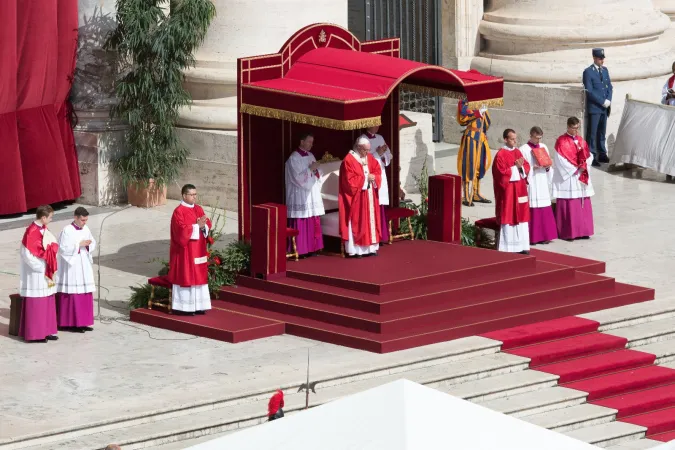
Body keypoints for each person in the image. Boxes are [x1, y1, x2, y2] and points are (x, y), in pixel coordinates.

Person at [168, 184, 212, 315]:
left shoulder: (198, 209)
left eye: (195, 194)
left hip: (198, 250)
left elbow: (207, 223)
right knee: (186, 277)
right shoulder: (179, 211)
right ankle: (184, 308)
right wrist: (196, 226)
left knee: (199, 277)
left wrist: (204, 226)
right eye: (192, 195)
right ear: (184, 195)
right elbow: (180, 231)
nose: (194, 197)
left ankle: (199, 305)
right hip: (185, 252)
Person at [19, 205, 59, 342]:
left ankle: (47, 330)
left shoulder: (44, 229)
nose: (51, 220)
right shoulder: (31, 232)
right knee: (37, 302)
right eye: (50, 217)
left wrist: (51, 250)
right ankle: (36, 334)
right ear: (43, 217)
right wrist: (40, 267)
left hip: (47, 270)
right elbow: (26, 254)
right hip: (36, 274)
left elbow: (52, 243)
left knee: (48, 300)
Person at [552, 117, 595, 240]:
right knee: (570, 203)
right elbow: (559, 160)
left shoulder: (581, 141)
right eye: (573, 128)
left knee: (583, 202)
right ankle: (569, 232)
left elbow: (589, 155)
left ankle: (583, 231)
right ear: (568, 127)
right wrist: (575, 169)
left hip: (580, 177)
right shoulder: (561, 141)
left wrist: (584, 165)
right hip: (569, 177)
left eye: (577, 128)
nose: (576, 131)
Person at [338, 137, 382, 257]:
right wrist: (365, 178)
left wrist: (374, 176)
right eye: (365, 150)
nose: (367, 153)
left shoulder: (369, 157)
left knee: (370, 222)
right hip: (357, 198)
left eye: (369, 150)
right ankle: (356, 250)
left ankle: (370, 249)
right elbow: (349, 182)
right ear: (358, 148)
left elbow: (377, 169)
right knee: (359, 222)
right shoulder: (349, 160)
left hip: (369, 196)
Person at [55, 207, 96, 332]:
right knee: (73, 294)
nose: (84, 223)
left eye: (86, 220)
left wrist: (89, 245)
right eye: (83, 220)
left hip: (84, 264)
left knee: (85, 292)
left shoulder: (86, 228)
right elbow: (62, 249)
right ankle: (71, 323)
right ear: (75, 217)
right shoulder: (67, 230)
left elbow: (92, 242)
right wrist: (79, 245)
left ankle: (83, 322)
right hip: (72, 267)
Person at [285, 132, 325, 257]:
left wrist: (317, 171)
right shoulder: (294, 158)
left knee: (312, 218)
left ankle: (313, 248)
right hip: (300, 194)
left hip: (311, 193)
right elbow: (297, 178)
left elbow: (317, 173)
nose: (311, 145)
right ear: (302, 142)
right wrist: (311, 169)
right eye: (309, 142)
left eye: (312, 142)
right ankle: (301, 250)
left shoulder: (311, 155)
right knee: (302, 219)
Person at [492, 129, 530, 254]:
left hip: (520, 190)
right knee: (509, 215)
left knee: (522, 217)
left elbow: (526, 166)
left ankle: (523, 246)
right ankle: (509, 247)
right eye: (512, 139)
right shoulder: (500, 155)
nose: (515, 141)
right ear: (505, 139)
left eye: (515, 138)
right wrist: (516, 168)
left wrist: (522, 168)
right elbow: (500, 174)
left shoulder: (518, 151)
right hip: (508, 193)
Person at [519, 127, 557, 245]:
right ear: (531, 135)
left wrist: (547, 166)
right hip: (532, 181)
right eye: (536, 138)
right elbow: (521, 168)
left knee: (544, 206)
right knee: (533, 207)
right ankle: (533, 237)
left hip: (542, 181)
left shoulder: (543, 147)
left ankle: (545, 235)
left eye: (540, 138)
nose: (538, 141)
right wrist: (531, 168)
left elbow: (548, 164)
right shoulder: (523, 149)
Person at [456, 99, 492, 206]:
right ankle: (466, 195)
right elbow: (462, 120)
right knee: (469, 165)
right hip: (470, 137)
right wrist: (477, 113)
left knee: (480, 165)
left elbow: (487, 124)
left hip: (481, 137)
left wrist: (484, 112)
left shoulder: (481, 102)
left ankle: (475, 193)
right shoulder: (464, 102)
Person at [361, 126, 392, 244]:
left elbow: (389, 156)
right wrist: (377, 153)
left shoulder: (380, 138)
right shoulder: (362, 140)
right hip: (369, 175)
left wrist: (383, 154)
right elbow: (362, 160)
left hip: (381, 173)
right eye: (375, 124)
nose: (378, 126)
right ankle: (372, 235)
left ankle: (382, 235)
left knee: (380, 204)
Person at [582, 48, 613, 167]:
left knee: (602, 132)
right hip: (595, 107)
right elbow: (589, 91)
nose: (602, 61)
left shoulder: (605, 70)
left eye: (603, 58)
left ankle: (602, 153)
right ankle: (592, 155)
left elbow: (610, 87)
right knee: (592, 133)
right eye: (600, 58)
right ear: (594, 58)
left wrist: (609, 100)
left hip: (605, 107)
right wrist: (602, 101)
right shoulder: (588, 72)